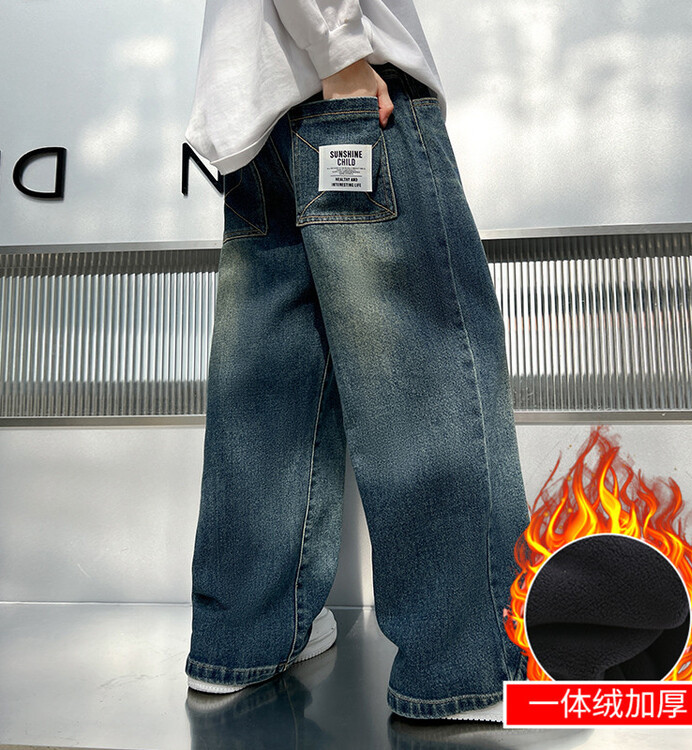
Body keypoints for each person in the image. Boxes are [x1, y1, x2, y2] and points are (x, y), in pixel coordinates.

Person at [183, 0, 531, 722]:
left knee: (272, 390)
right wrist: (339, 49)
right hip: (345, 88)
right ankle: (470, 669)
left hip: (253, 117)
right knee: (424, 374)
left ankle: (245, 638)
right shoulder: (340, 60)